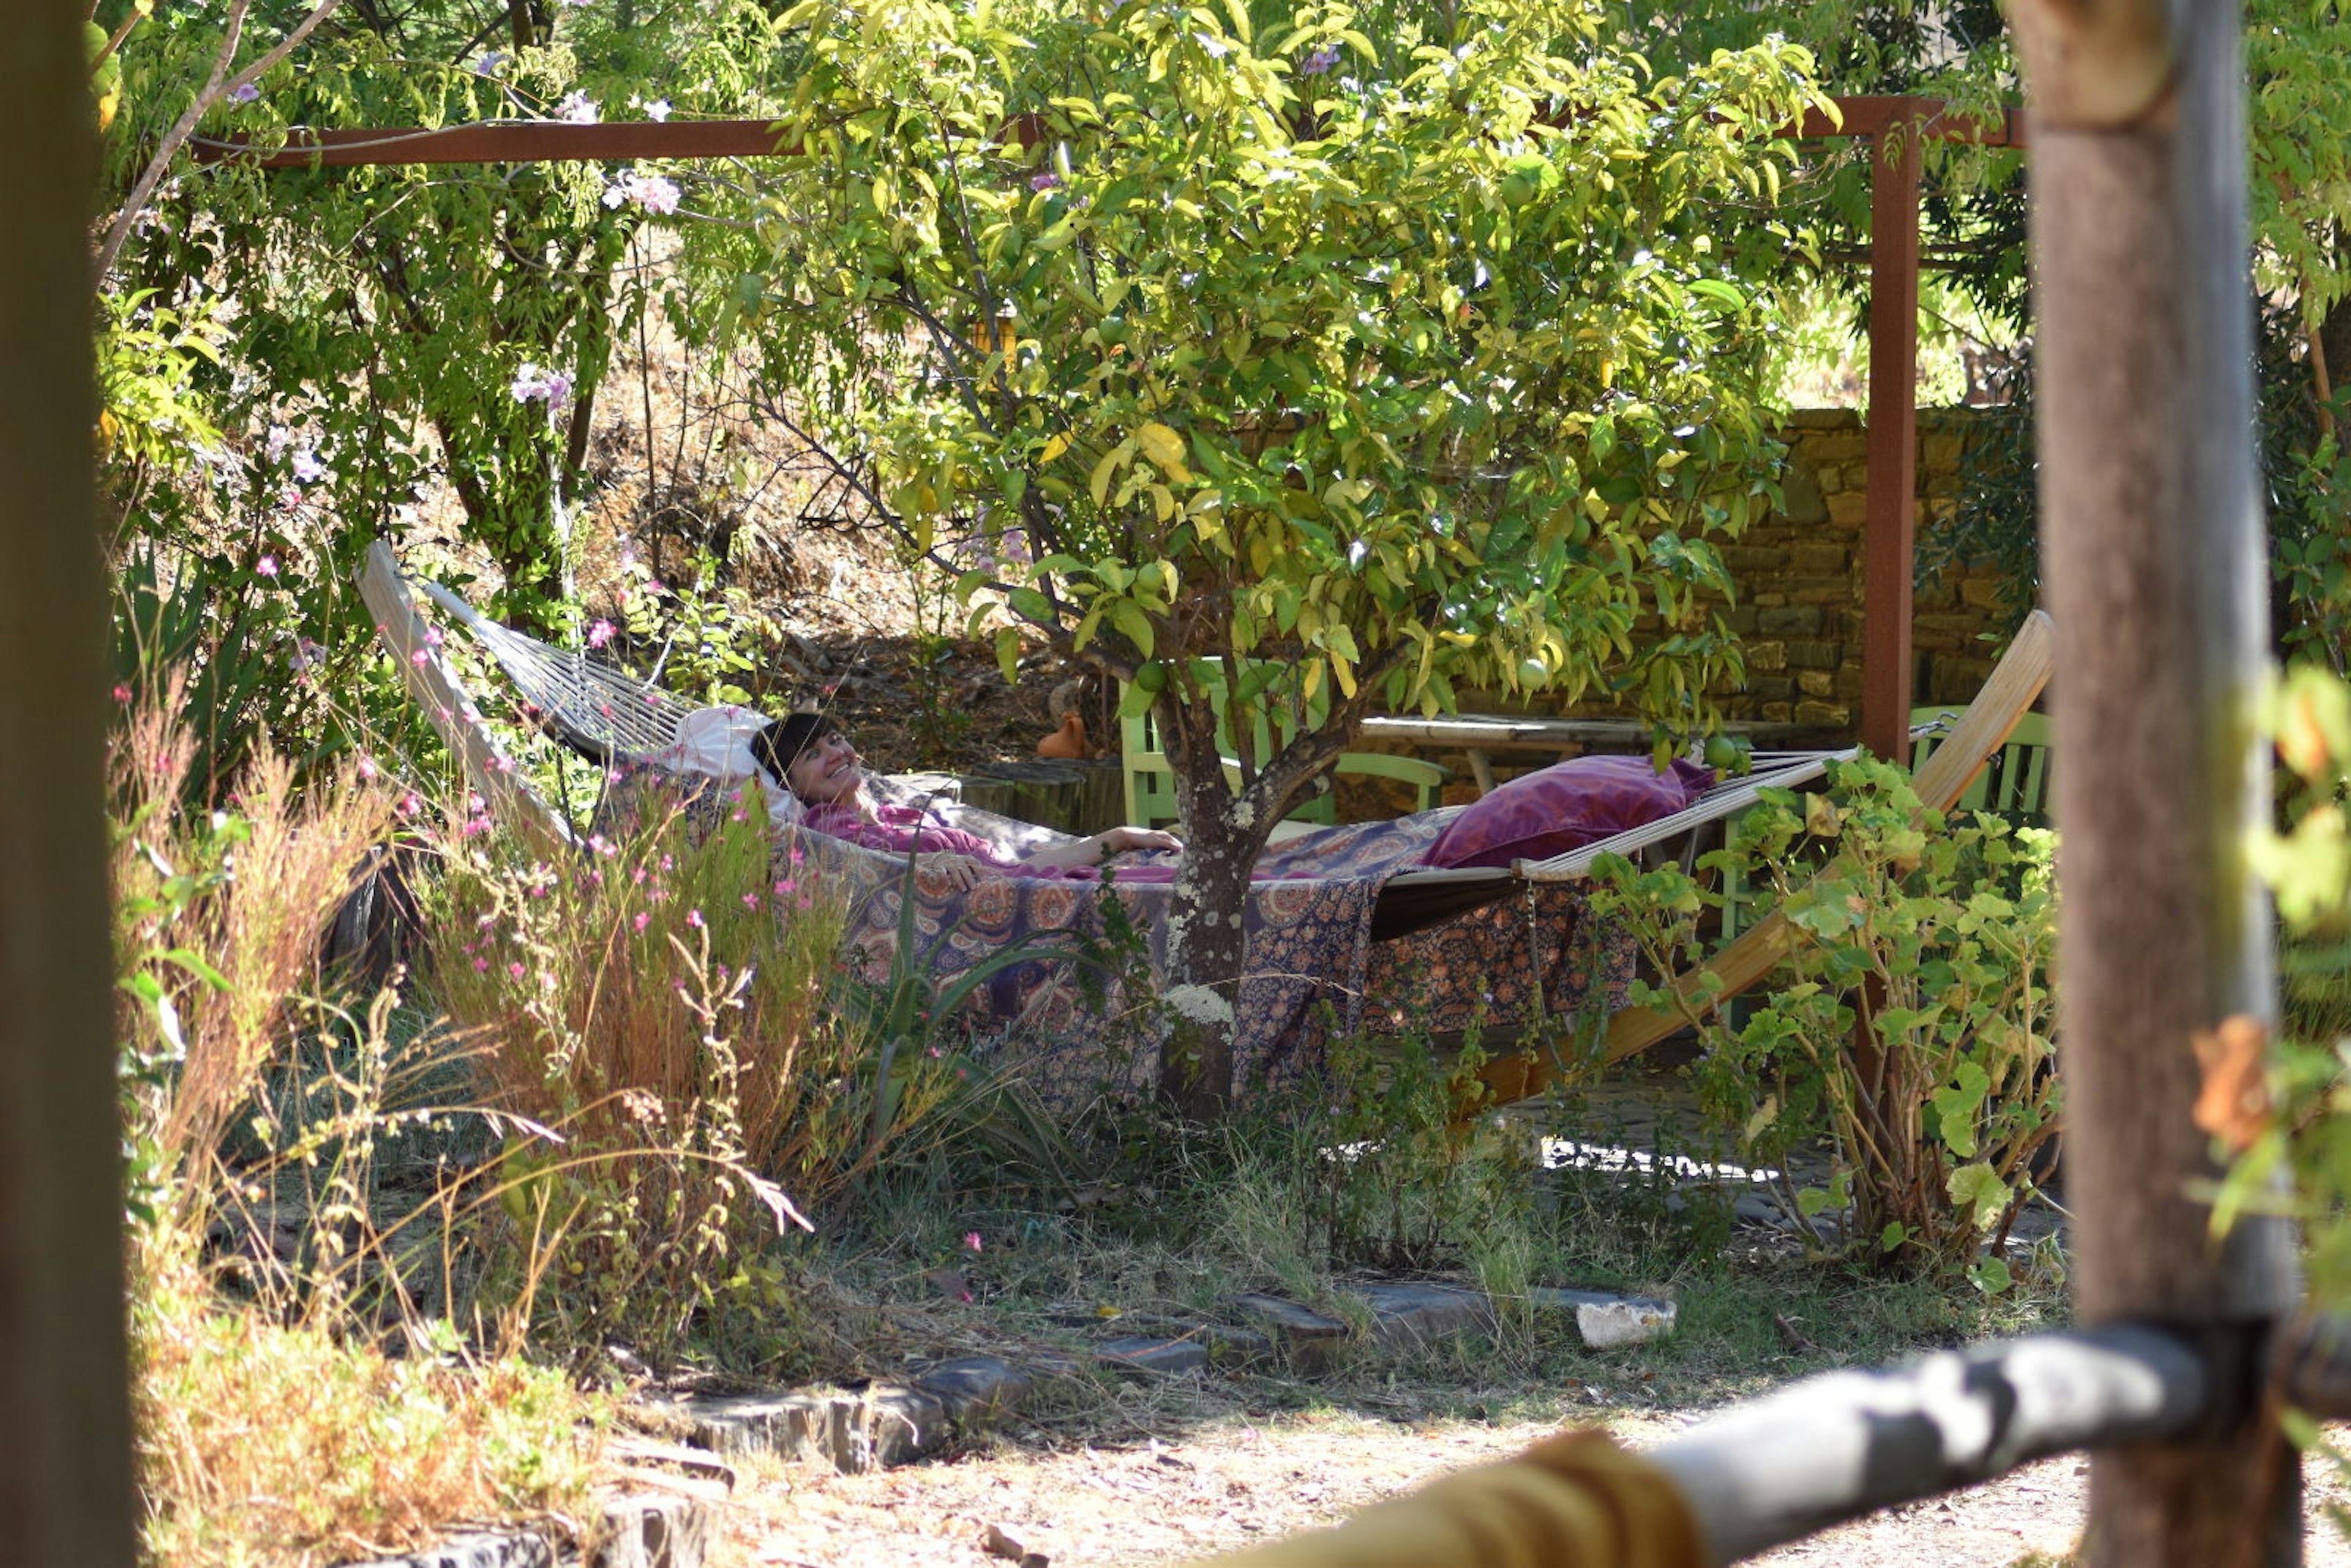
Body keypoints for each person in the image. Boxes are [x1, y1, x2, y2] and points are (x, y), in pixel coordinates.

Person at [750, 711, 1183, 890]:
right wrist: (926, 868)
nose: (836, 754)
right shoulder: (829, 832)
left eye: (835, 739)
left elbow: (1018, 870)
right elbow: (875, 873)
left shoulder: (896, 814)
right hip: (1042, 904)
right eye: (812, 754)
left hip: (1044, 883)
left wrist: (1119, 836)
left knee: (1211, 871)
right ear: (789, 784)